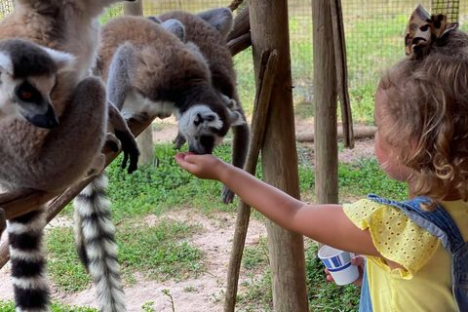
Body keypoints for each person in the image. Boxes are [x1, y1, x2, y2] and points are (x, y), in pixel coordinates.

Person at [175, 5, 468, 312]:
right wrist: (373, 270)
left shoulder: (395, 228)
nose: (378, 134)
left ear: (411, 146)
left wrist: (224, 171)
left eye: (381, 128)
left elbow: (295, 213)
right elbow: (437, 282)